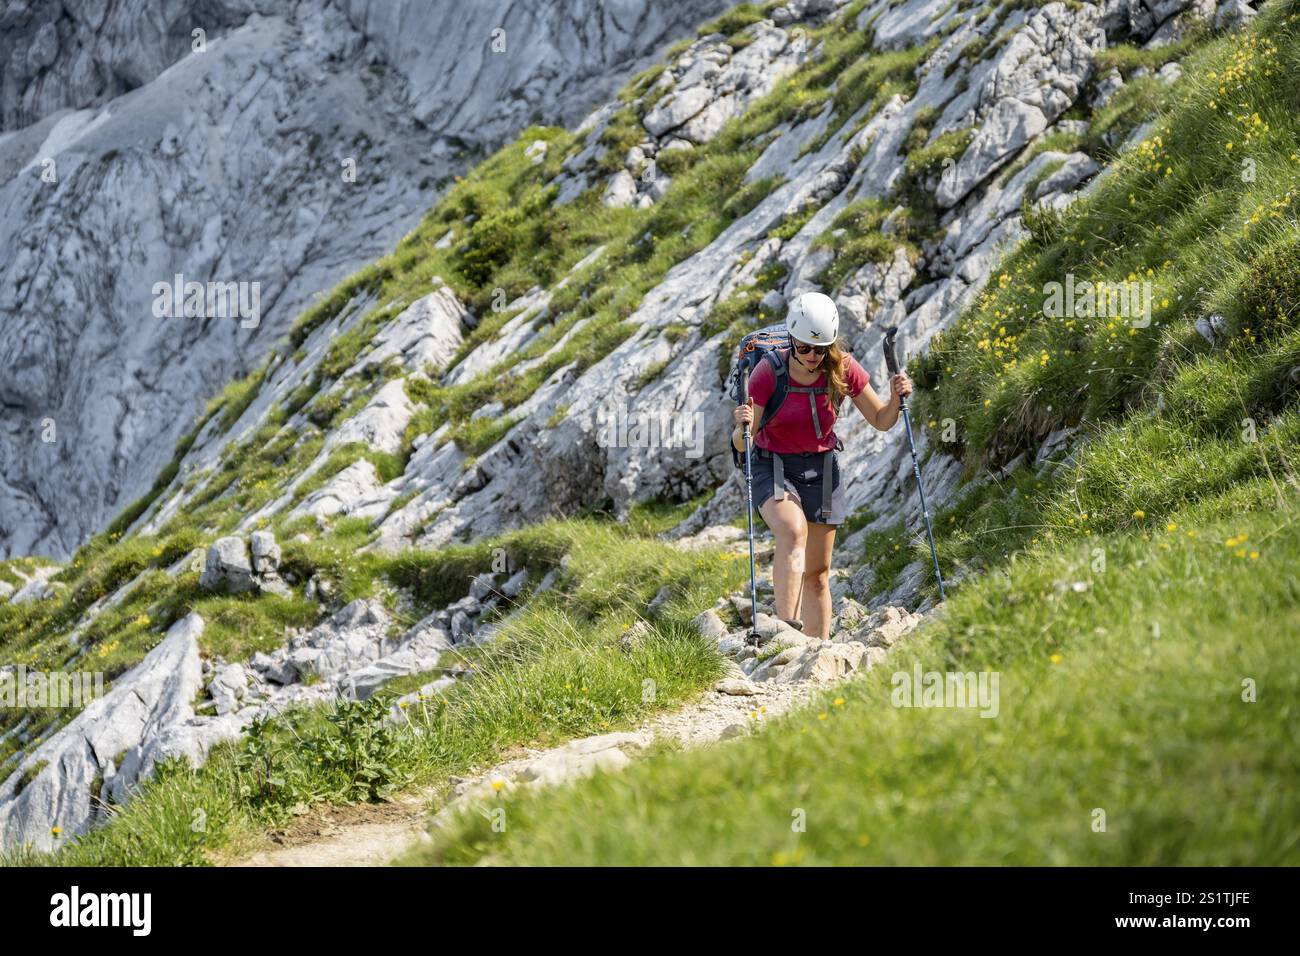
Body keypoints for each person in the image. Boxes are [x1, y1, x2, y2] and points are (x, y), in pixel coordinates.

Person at [730, 292, 913, 640]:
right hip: (773, 464)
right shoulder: (769, 371)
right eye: (804, 348)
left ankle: (817, 648)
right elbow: (742, 442)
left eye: (820, 349)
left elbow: (881, 419)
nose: (812, 357)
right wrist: (742, 425)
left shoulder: (843, 368)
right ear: (791, 340)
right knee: (792, 531)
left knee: (817, 571)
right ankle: (785, 633)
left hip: (822, 469)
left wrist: (896, 397)